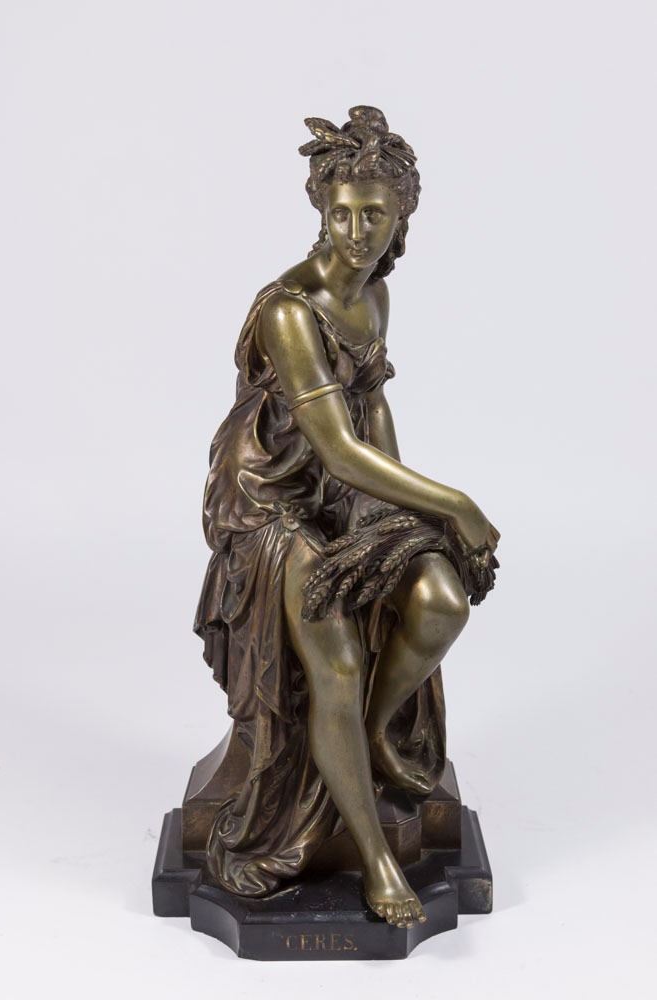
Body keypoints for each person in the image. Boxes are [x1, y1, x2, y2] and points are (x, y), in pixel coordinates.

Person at [194, 106, 499, 929]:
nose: (356, 233)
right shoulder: (290, 310)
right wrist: (453, 502)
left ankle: (369, 733)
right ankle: (372, 855)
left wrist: (402, 508)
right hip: (273, 499)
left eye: (374, 214)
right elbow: (330, 445)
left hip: (349, 484)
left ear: (402, 215)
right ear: (318, 210)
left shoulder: (375, 293)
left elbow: (372, 407)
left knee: (441, 599)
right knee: (332, 659)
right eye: (340, 214)